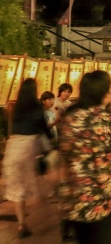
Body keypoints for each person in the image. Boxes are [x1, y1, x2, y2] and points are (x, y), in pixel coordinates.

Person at [58, 71, 111, 244]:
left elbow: (64, 162)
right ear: (105, 95)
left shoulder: (69, 120)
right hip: (103, 200)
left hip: (76, 199)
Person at [2, 78, 53, 239]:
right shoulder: (37, 107)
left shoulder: (16, 106)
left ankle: (21, 223)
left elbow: (9, 127)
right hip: (29, 146)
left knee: (18, 189)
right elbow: (44, 129)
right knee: (37, 183)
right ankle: (46, 215)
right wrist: (52, 144)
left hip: (12, 146)